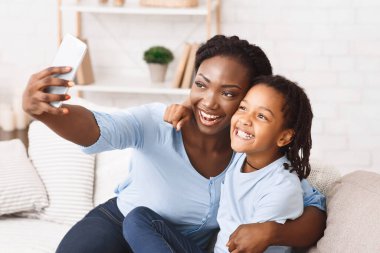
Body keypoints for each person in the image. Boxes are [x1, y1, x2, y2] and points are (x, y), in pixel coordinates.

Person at [22, 35, 325, 253]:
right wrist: (47, 112)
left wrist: (273, 232)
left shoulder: (252, 152)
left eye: (230, 94)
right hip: (119, 225)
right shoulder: (159, 121)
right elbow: (97, 128)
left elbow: (313, 208)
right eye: (201, 85)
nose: (209, 101)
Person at [123, 75, 312, 253]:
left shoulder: (281, 188)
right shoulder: (240, 158)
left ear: (284, 136)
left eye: (261, 116)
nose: (245, 120)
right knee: (138, 219)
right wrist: (188, 106)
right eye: (243, 108)